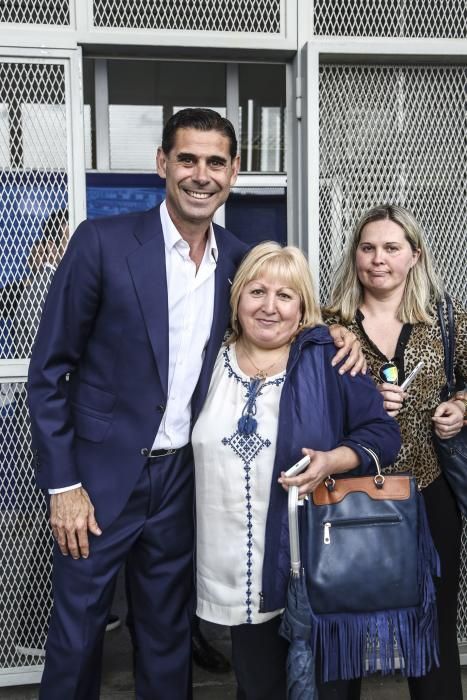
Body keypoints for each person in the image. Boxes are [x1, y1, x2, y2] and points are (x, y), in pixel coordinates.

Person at [26, 108, 361, 699]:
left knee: (166, 634)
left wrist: (337, 332)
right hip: (98, 480)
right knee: (77, 633)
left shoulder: (240, 259)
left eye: (214, 162)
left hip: (184, 478)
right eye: (187, 159)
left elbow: (282, 312)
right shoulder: (101, 243)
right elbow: (49, 370)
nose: (199, 174)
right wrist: (63, 485)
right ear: (162, 164)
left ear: (234, 172)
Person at [192, 241, 401, 700]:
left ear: (303, 307)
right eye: (257, 292)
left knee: (328, 688)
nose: (269, 307)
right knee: (258, 685)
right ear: (236, 299)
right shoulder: (206, 361)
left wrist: (335, 460)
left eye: (285, 296)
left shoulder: (328, 358)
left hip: (317, 561)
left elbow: (383, 434)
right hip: (239, 572)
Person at [326, 203, 467, 700]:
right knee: (341, 630)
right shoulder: (326, 325)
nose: (378, 259)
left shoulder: (446, 320)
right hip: (347, 497)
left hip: (428, 495)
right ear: (355, 255)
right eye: (367, 248)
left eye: (391, 248)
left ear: (414, 255)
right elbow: (302, 404)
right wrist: (358, 407)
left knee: (431, 631)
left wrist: (461, 404)